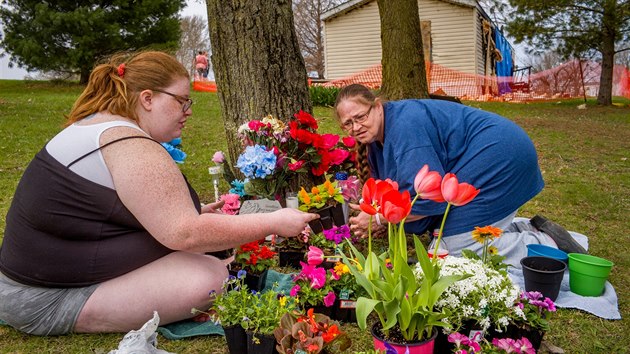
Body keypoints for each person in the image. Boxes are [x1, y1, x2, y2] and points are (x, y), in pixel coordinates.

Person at [0, 51, 318, 336]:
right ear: (148, 98)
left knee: (209, 261)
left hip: (34, 283)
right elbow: (186, 233)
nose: (188, 111)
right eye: (182, 100)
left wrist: (198, 212)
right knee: (211, 276)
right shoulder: (129, 144)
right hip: (44, 299)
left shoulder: (101, 128)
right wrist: (275, 221)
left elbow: (101, 214)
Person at [334, 84, 586, 266]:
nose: (356, 127)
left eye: (361, 116)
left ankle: (544, 243)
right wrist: (383, 218)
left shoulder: (405, 129)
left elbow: (429, 199)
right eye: (348, 123)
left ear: (377, 106)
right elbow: (404, 195)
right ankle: (524, 226)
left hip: (500, 155)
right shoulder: (380, 136)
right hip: (487, 153)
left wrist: (380, 219)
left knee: (455, 249)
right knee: (442, 242)